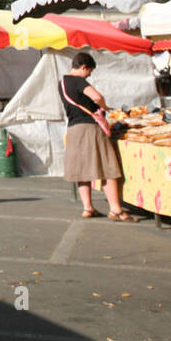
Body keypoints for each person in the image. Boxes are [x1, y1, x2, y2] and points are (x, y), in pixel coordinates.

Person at [60, 52, 137, 222]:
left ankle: (87, 208)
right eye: (89, 71)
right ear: (84, 67)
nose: (89, 75)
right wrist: (104, 106)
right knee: (107, 167)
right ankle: (116, 209)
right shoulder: (79, 80)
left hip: (73, 129)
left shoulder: (62, 83)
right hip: (89, 127)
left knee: (81, 171)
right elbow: (96, 96)